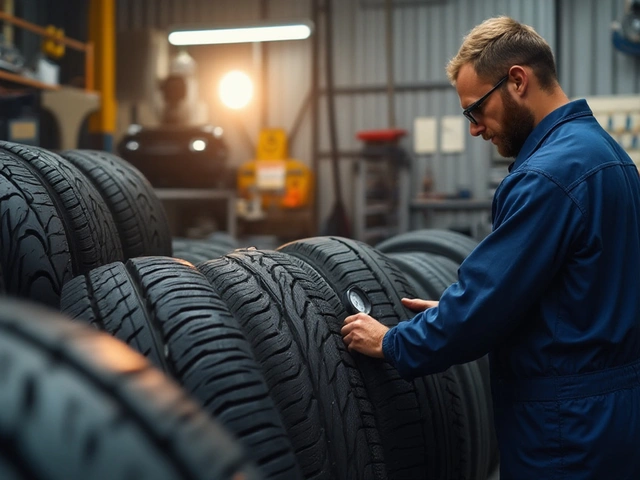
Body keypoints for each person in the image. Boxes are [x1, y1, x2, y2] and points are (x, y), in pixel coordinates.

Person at [341, 15, 640, 480]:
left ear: (517, 80)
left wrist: (394, 341)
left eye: (474, 110)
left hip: (566, 431)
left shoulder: (547, 175)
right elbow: (581, 292)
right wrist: (470, 308)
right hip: (614, 416)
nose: (475, 129)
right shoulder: (608, 155)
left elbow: (483, 304)